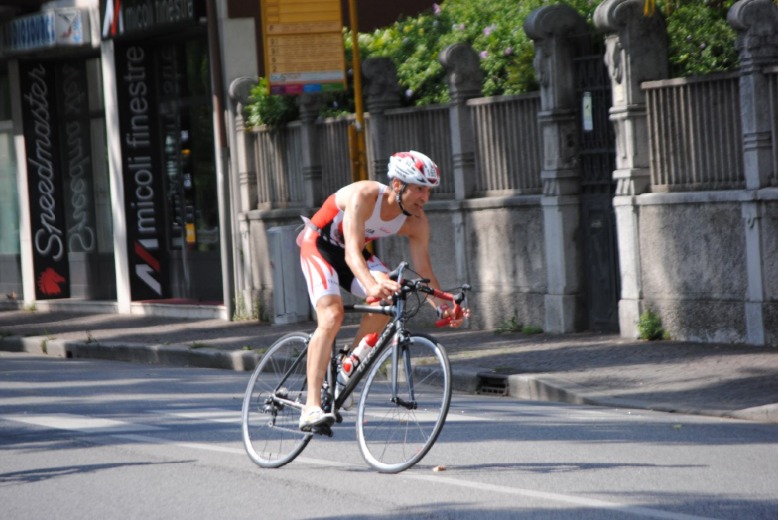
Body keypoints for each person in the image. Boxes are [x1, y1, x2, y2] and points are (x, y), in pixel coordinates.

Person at [297, 150, 465, 431]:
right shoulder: (365, 195)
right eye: (419, 189)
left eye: (429, 191)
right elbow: (352, 252)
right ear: (398, 184)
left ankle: (345, 370)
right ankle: (311, 407)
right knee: (331, 316)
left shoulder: (417, 221)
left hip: (353, 256)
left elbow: (424, 273)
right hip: (319, 246)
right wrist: (372, 284)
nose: (425, 198)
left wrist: (442, 305)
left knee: (393, 292)